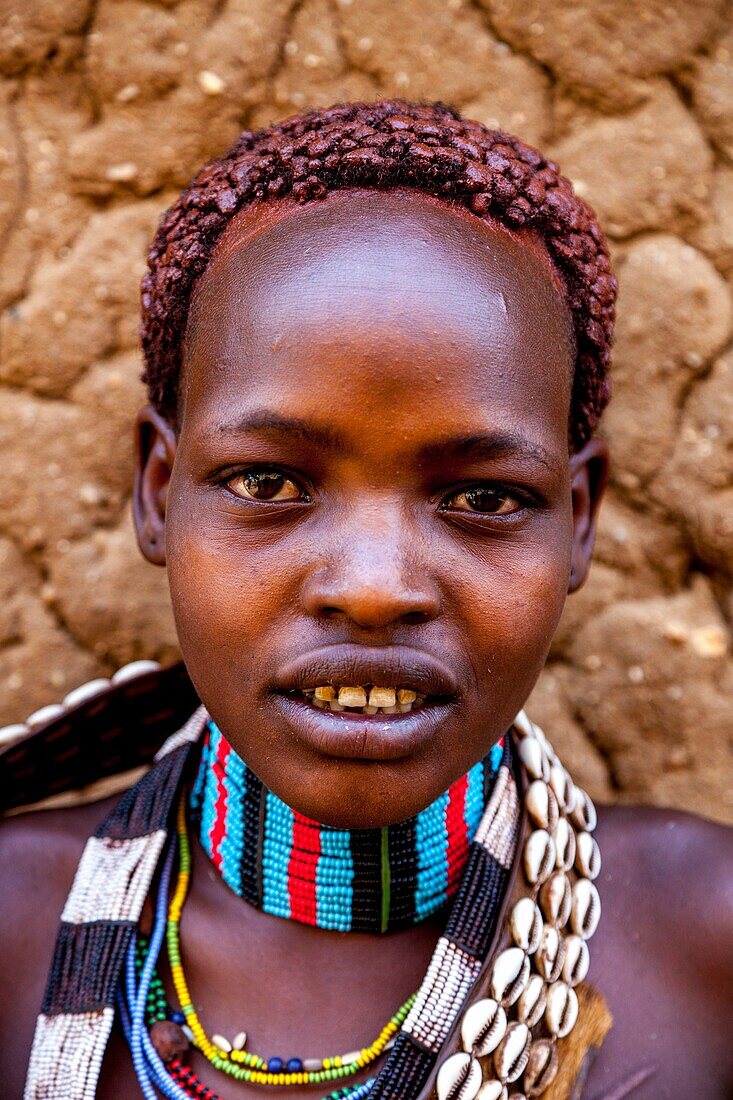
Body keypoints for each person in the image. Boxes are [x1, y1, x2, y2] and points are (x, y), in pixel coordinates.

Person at [1, 98, 731, 1100]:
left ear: (578, 517)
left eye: (483, 498)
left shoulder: (705, 946)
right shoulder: (10, 924)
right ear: (158, 490)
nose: (374, 589)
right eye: (269, 482)